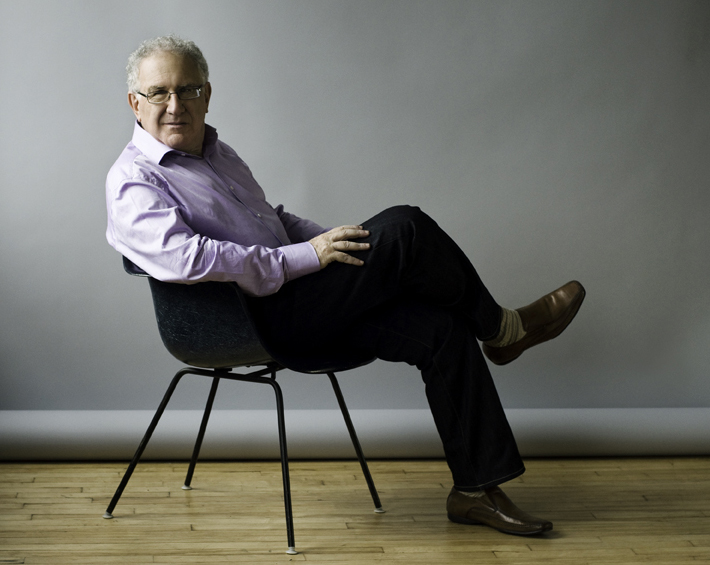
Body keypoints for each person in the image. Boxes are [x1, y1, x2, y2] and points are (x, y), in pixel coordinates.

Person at [106, 35, 585, 537]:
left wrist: (342, 246)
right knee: (406, 228)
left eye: (188, 89)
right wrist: (311, 257)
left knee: (440, 328)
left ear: (207, 94)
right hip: (250, 320)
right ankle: (504, 330)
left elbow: (274, 220)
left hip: (303, 300)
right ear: (136, 102)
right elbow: (189, 258)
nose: (176, 105)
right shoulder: (134, 181)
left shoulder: (218, 153)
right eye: (159, 92)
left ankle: (475, 491)